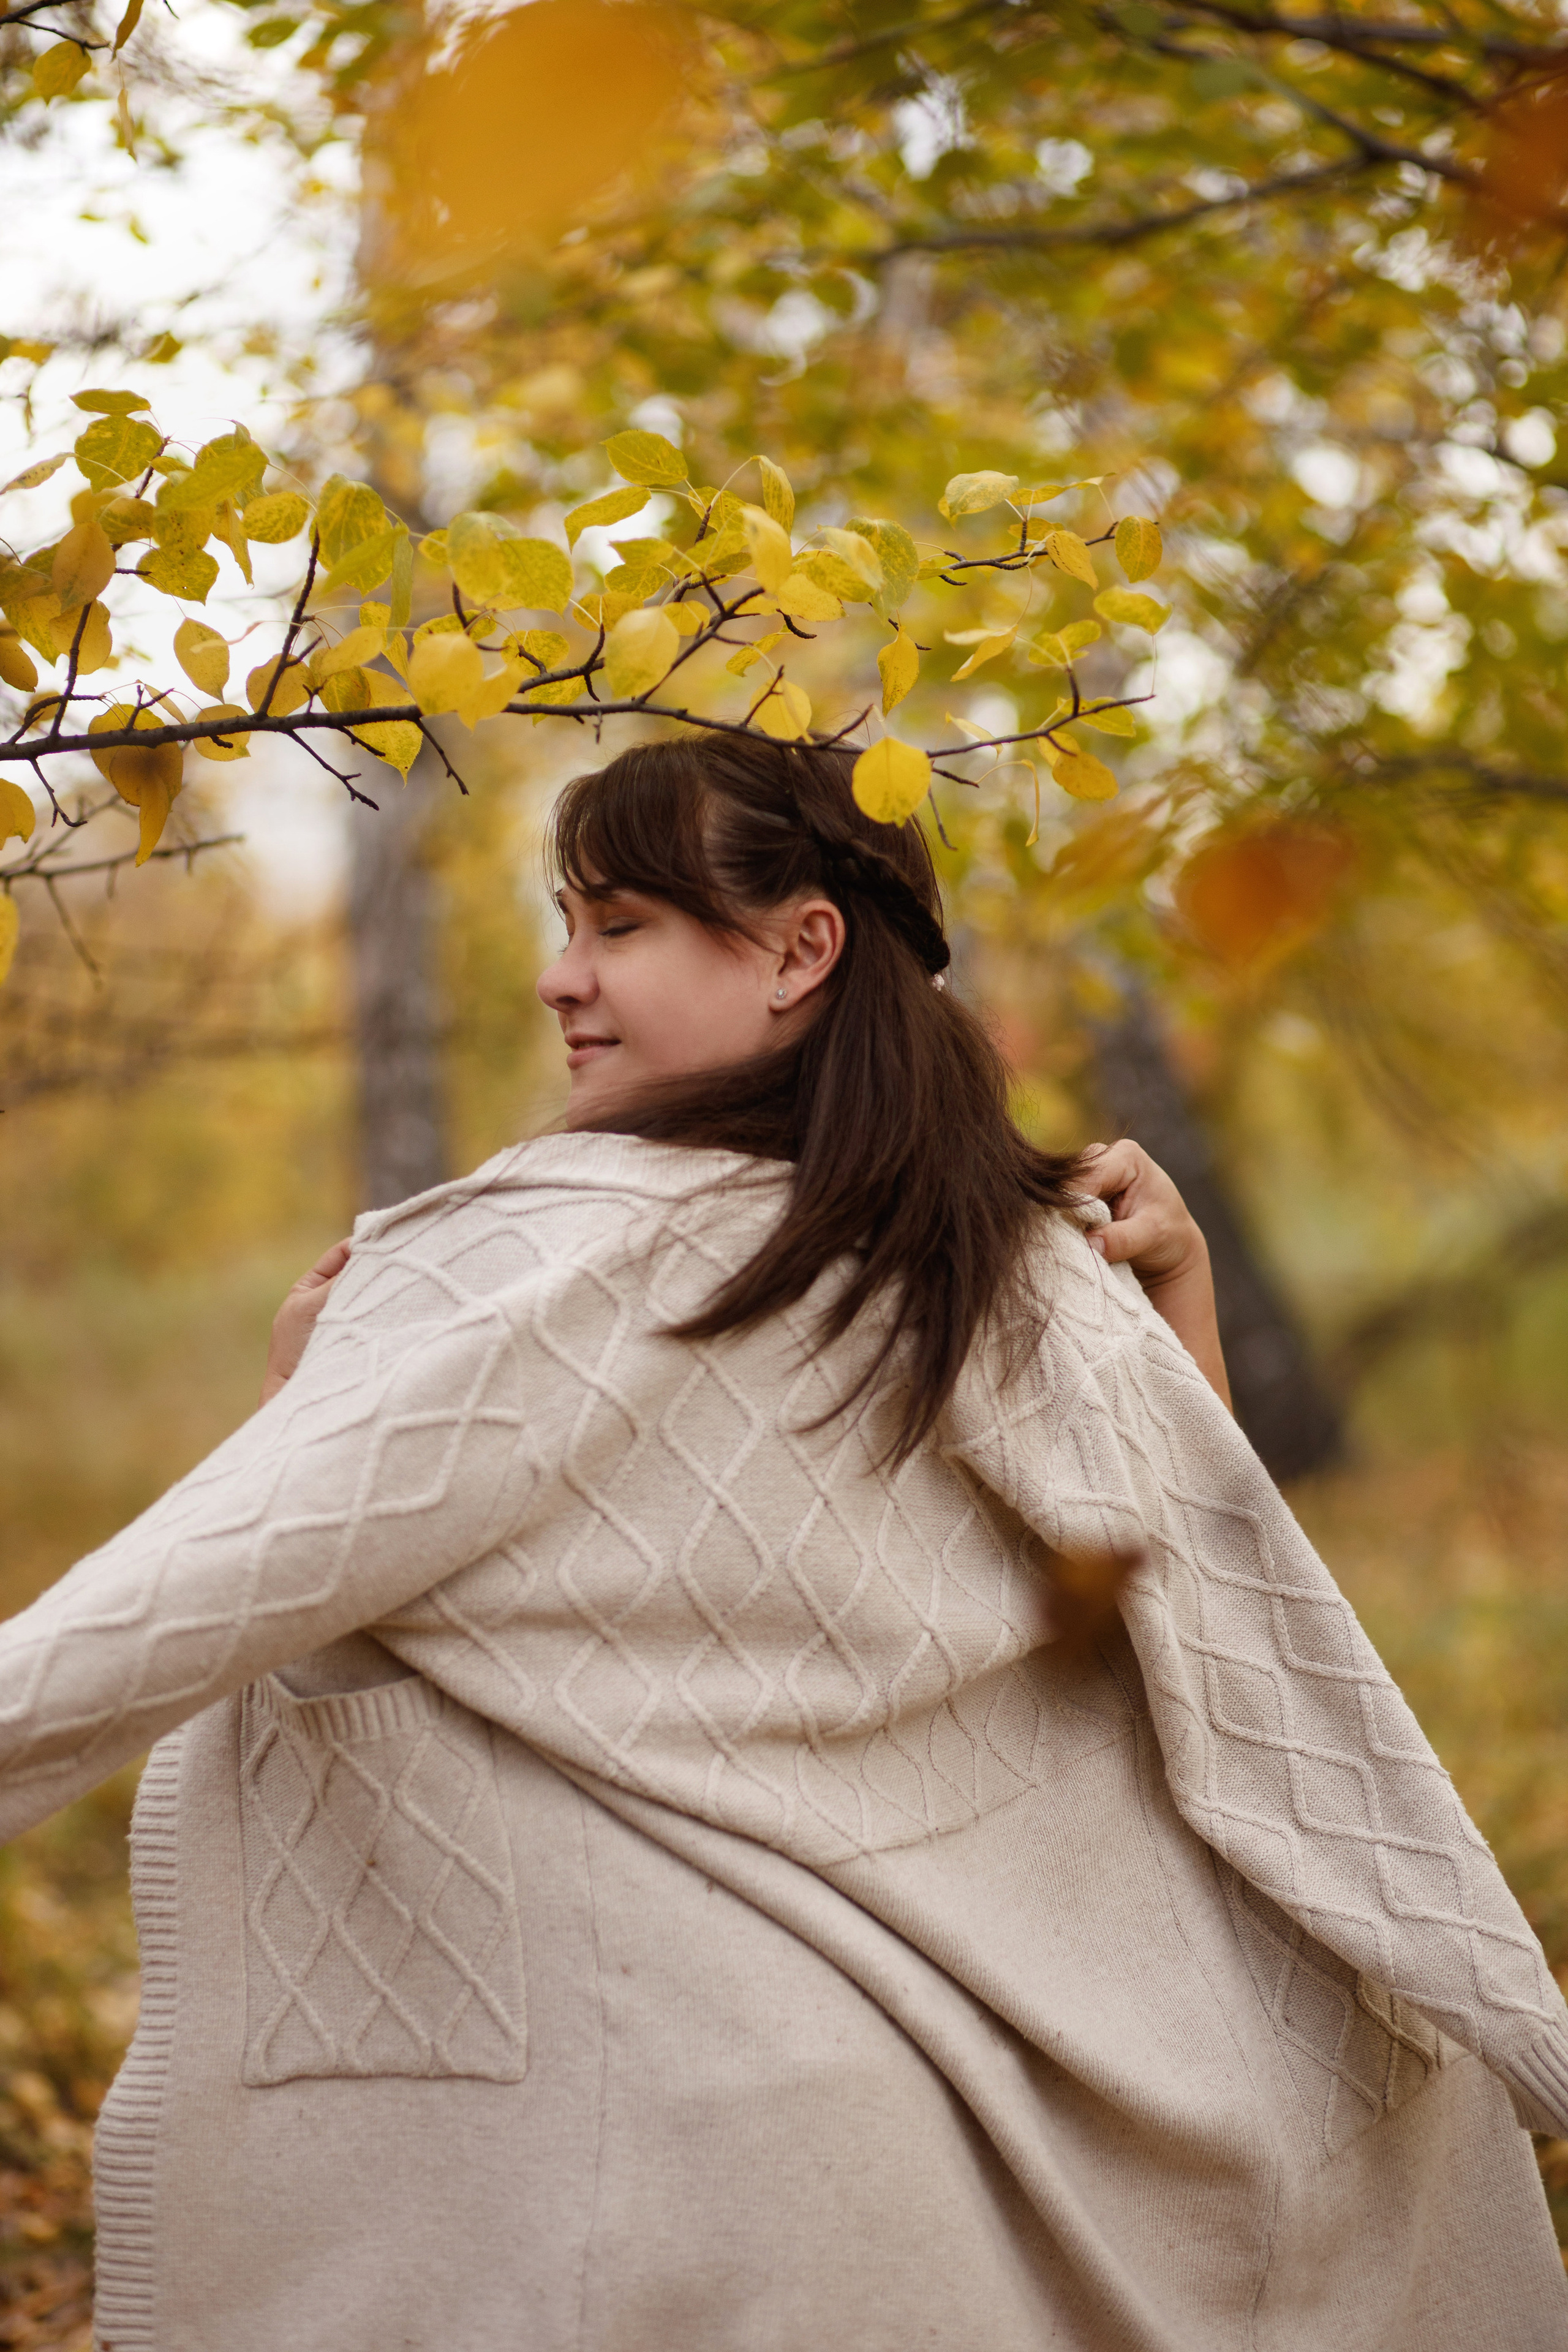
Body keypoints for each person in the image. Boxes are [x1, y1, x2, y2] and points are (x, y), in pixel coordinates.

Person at [1, 734, 1564, 2352]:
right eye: (565, 924)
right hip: (964, 2095)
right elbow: (1220, 1655)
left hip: (658, 2112)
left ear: (804, 947)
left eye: (619, 926)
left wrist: (292, 1406)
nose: (558, 979)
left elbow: (196, 1595)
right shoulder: (997, 1258)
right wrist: (1168, 1313)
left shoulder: (525, 1260)